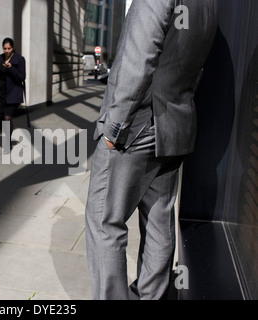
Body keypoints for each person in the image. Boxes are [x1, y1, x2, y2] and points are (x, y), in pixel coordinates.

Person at [85, 0, 218, 300]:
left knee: (104, 222)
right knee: (159, 218)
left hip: (137, 122)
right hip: (175, 124)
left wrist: (114, 127)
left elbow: (139, 57)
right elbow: (195, 65)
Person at [0, 38, 26, 153]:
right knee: (3, 119)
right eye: (5, 48)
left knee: (7, 117)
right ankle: (8, 138)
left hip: (14, 93)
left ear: (13, 48)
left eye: (9, 48)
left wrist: (11, 68)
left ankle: (7, 143)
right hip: (1, 93)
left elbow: (21, 77)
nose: (7, 50)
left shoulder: (19, 59)